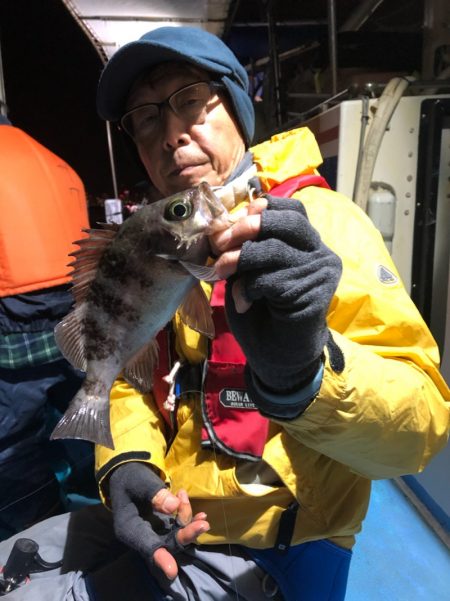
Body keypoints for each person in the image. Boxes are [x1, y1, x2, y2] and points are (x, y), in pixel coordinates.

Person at [0, 26, 448, 601]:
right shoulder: (169, 241)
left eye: (190, 101)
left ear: (237, 108)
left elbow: (421, 435)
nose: (169, 135)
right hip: (179, 511)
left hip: (284, 547)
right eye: (144, 119)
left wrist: (306, 374)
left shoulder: (326, 224)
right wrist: (128, 466)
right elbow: (130, 376)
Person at [0, 114, 95, 540]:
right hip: (74, 321)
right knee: (88, 428)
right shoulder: (54, 162)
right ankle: (99, 514)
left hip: (10, 335)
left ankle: (38, 537)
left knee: (11, 453)